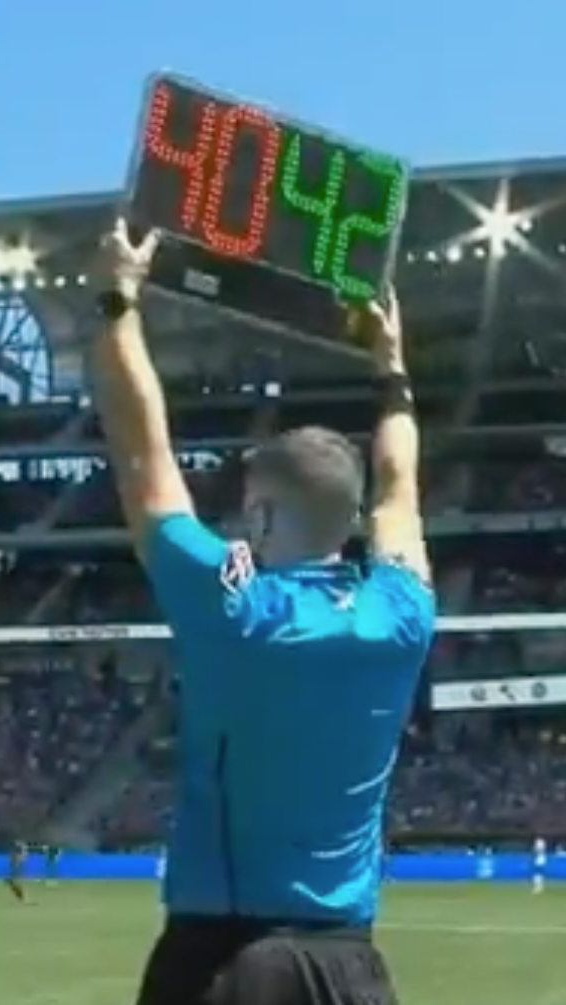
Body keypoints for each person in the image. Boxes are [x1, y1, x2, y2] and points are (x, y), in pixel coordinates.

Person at [88, 220, 435, 1005]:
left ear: (264, 517)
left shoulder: (233, 605)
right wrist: (393, 371)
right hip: (349, 966)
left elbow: (142, 451)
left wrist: (117, 300)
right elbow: (399, 485)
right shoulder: (403, 610)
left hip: (223, 958)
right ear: (348, 520)